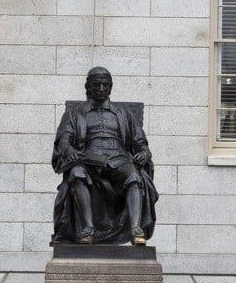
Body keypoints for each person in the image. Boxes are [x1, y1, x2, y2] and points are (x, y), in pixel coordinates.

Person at [51, 67, 158, 246]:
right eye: (97, 85)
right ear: (88, 87)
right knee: (77, 173)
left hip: (118, 159)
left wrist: (144, 153)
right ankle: (88, 229)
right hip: (88, 160)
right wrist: (70, 152)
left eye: (105, 85)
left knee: (133, 175)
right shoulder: (75, 113)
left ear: (110, 88)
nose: (101, 88)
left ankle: (135, 230)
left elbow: (140, 141)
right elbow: (64, 140)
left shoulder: (123, 113)